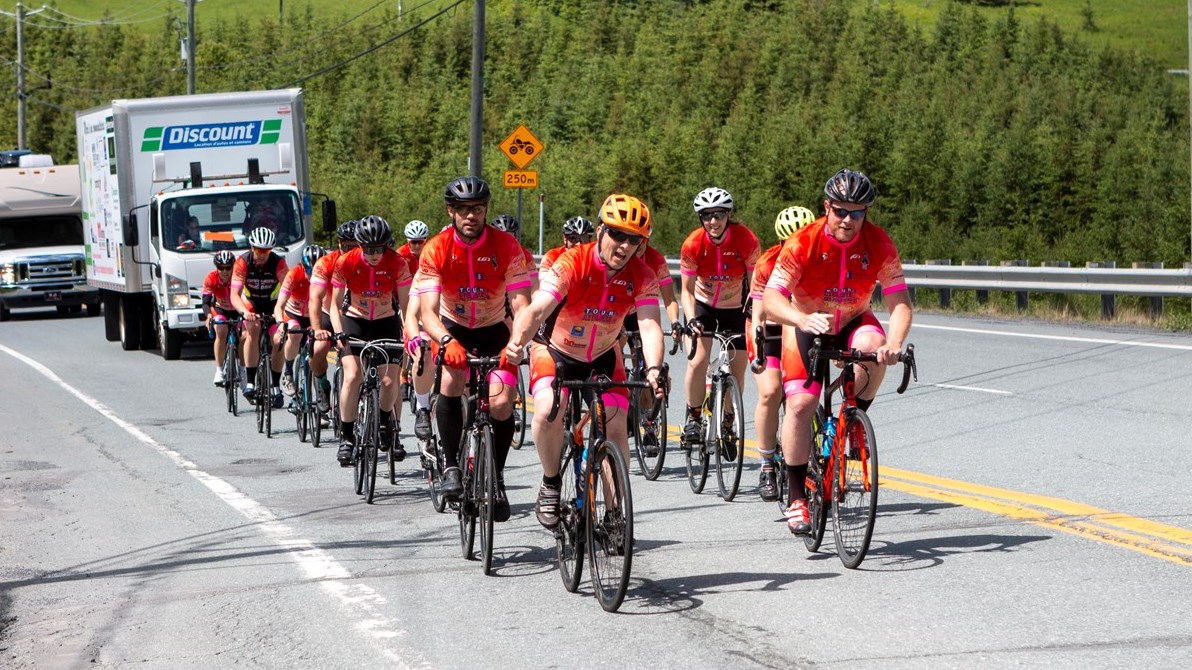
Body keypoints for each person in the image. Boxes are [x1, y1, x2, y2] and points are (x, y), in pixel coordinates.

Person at [762, 168, 912, 534]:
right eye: (841, 211)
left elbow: (901, 304)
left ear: (867, 214)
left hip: (852, 320)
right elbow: (771, 298)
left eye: (857, 212)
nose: (848, 219)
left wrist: (895, 343)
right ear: (826, 208)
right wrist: (799, 318)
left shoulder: (879, 244)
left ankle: (854, 418)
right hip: (806, 325)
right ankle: (797, 497)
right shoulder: (802, 243)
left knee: (875, 349)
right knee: (800, 403)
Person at [503, 193, 665, 530]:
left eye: (633, 240)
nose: (623, 246)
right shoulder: (572, 262)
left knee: (616, 423)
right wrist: (517, 343)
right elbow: (535, 310)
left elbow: (649, 324)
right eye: (617, 235)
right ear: (601, 230)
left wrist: (652, 369)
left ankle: (616, 513)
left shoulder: (642, 274)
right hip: (555, 349)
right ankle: (550, 483)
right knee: (549, 407)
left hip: (603, 356)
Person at [417, 176, 531, 522]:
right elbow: (427, 311)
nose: (471, 216)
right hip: (453, 328)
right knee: (451, 383)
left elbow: (521, 303)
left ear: (486, 210)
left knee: (501, 402)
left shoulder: (506, 246)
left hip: (495, 327)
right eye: (464, 209)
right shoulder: (436, 248)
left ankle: (495, 477)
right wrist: (446, 341)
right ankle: (452, 465)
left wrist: (517, 342)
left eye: (478, 209)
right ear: (451, 211)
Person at [679, 186, 760, 448]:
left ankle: (727, 418)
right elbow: (687, 292)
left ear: (728, 215)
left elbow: (756, 285)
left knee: (736, 372)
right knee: (698, 359)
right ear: (700, 218)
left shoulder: (746, 240)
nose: (713, 221)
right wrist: (691, 320)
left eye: (719, 215)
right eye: (707, 216)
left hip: (735, 307)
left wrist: (752, 314)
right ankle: (693, 416)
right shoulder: (693, 244)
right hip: (703, 307)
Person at [331, 216, 413, 465]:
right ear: (359, 246)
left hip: (386, 323)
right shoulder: (347, 262)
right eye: (368, 249)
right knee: (353, 376)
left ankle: (385, 419)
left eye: (379, 249)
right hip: (355, 322)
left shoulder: (398, 263)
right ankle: (346, 438)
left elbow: (407, 307)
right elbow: (333, 306)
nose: (374, 254)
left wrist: (410, 334)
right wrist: (337, 332)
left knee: (389, 381)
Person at [749, 205, 815, 501]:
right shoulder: (767, 263)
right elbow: (758, 313)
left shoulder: (818, 256)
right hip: (770, 329)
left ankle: (806, 458)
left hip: (800, 328)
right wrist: (760, 349)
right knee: (770, 390)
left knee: (803, 393)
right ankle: (766, 464)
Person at [230, 226, 288, 408]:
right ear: (252, 248)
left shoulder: (278, 263)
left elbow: (288, 289)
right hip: (251, 304)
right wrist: (244, 312)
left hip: (272, 304)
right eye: (259, 250)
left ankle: (276, 385)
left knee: (278, 339)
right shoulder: (242, 262)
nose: (263, 254)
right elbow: (234, 295)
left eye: (267, 250)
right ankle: (250, 381)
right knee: (253, 329)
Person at [309, 221, 359, 422]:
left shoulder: (365, 261)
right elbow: (314, 298)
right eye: (346, 246)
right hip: (329, 314)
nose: (350, 250)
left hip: (355, 315)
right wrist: (317, 329)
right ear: (339, 244)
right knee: (319, 349)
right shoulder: (325, 263)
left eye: (354, 246)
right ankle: (322, 385)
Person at [396, 219, 435, 440]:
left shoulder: (432, 253)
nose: (417, 246)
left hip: (425, 299)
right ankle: (404, 375)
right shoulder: (402, 256)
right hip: (406, 298)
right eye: (413, 243)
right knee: (408, 335)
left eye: (420, 242)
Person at [275, 245, 325, 402]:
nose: (313, 276)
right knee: (294, 333)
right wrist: (280, 323)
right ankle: (288, 372)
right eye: (310, 271)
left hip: (313, 316)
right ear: (303, 267)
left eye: (317, 271)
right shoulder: (294, 275)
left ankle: (321, 400)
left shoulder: (327, 276)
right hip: (293, 313)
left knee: (317, 348)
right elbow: (279, 305)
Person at [203, 250, 238, 386]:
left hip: (238, 310)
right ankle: (219, 370)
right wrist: (209, 316)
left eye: (228, 268)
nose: (225, 271)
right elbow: (205, 302)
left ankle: (242, 370)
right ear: (216, 267)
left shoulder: (239, 277)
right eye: (221, 268)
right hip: (220, 309)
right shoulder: (210, 278)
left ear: (233, 266)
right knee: (221, 330)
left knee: (245, 335)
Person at [491, 214, 538, 292]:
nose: (505, 242)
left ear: (515, 238)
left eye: (509, 238)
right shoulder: (485, 251)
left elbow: (534, 281)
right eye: (501, 238)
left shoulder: (524, 253)